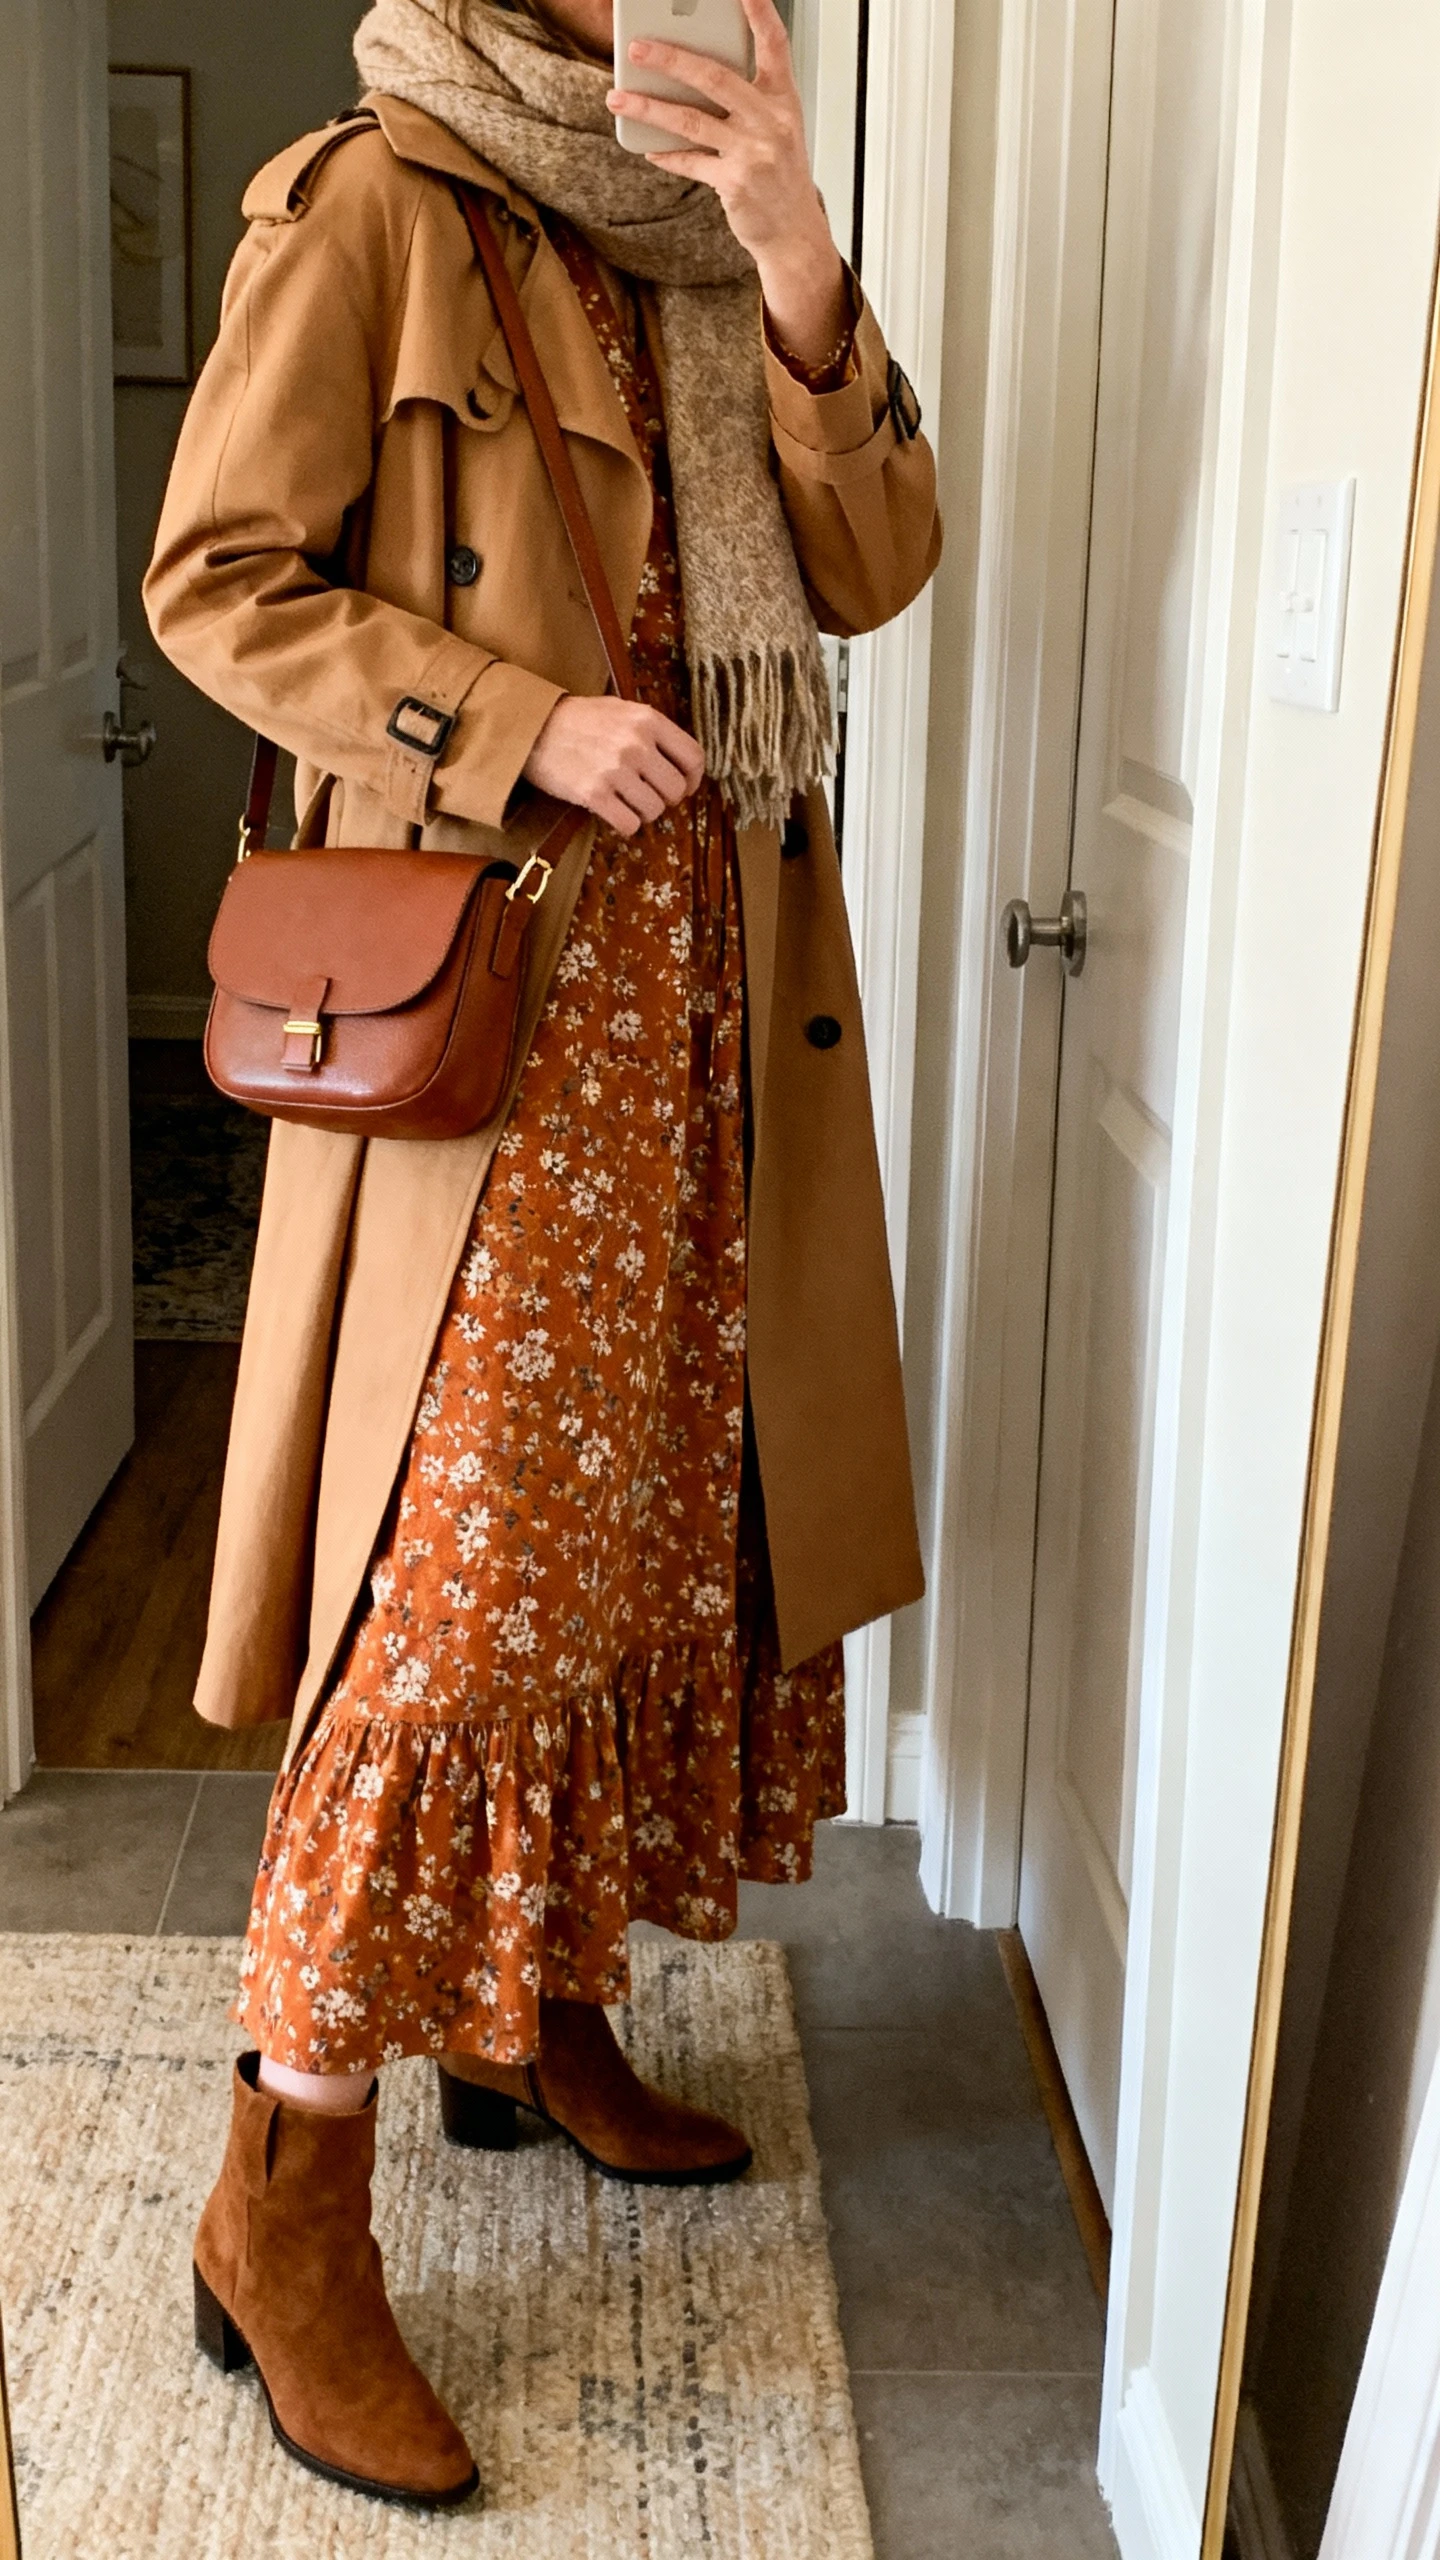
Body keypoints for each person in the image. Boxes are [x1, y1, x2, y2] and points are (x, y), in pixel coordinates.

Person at [145, 0, 940, 2511]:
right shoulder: (371, 203)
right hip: (486, 1045)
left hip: (704, 1028)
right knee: (448, 1607)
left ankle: (530, 2009)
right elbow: (216, 588)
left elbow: (874, 563)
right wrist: (510, 723)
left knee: (638, 1559)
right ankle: (283, 2199)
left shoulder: (714, 235)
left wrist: (800, 254)